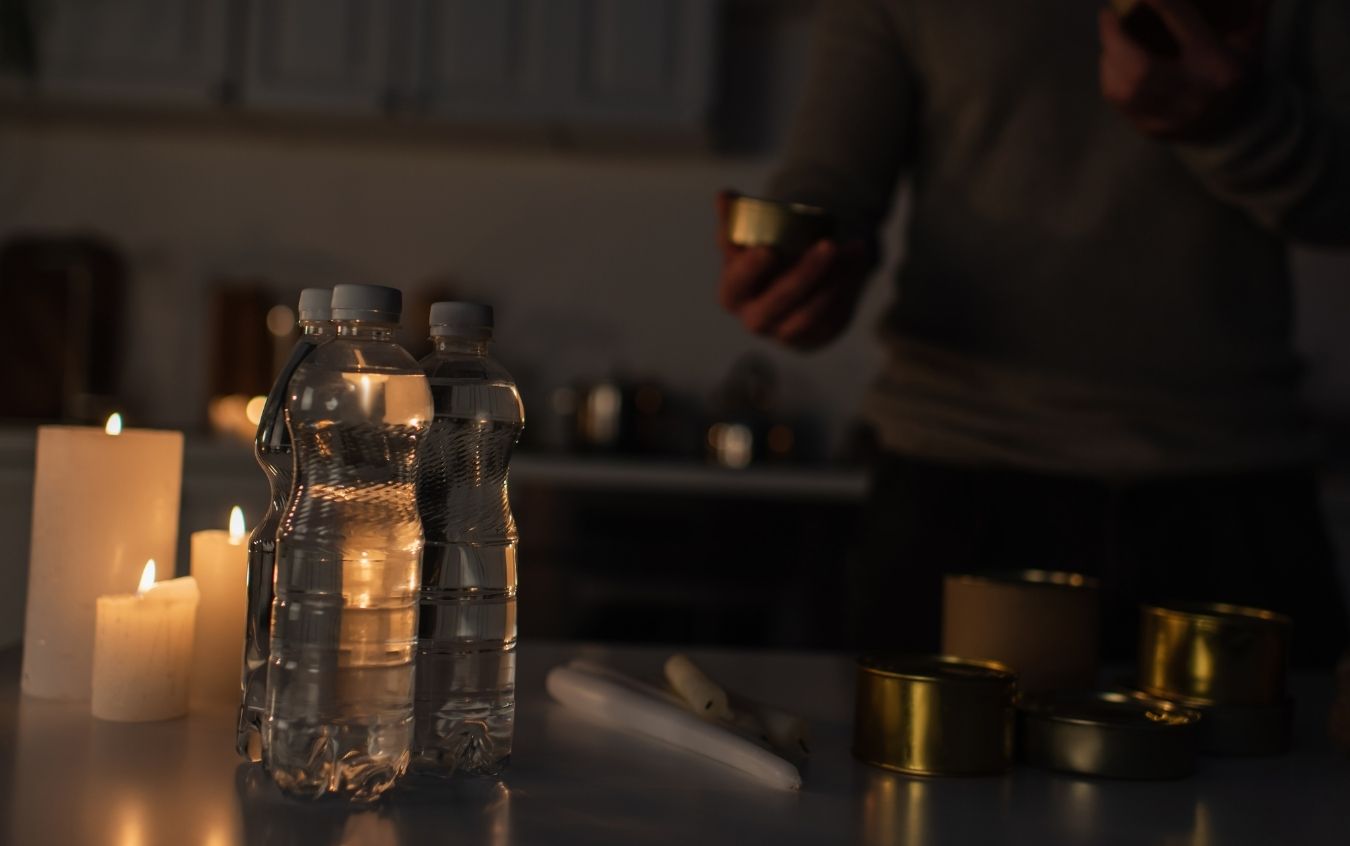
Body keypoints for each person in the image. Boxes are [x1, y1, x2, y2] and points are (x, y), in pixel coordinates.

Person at [716, 0, 1350, 662]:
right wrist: (796, 274)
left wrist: (1236, 123)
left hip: (1231, 489)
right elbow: (830, 188)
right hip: (959, 484)